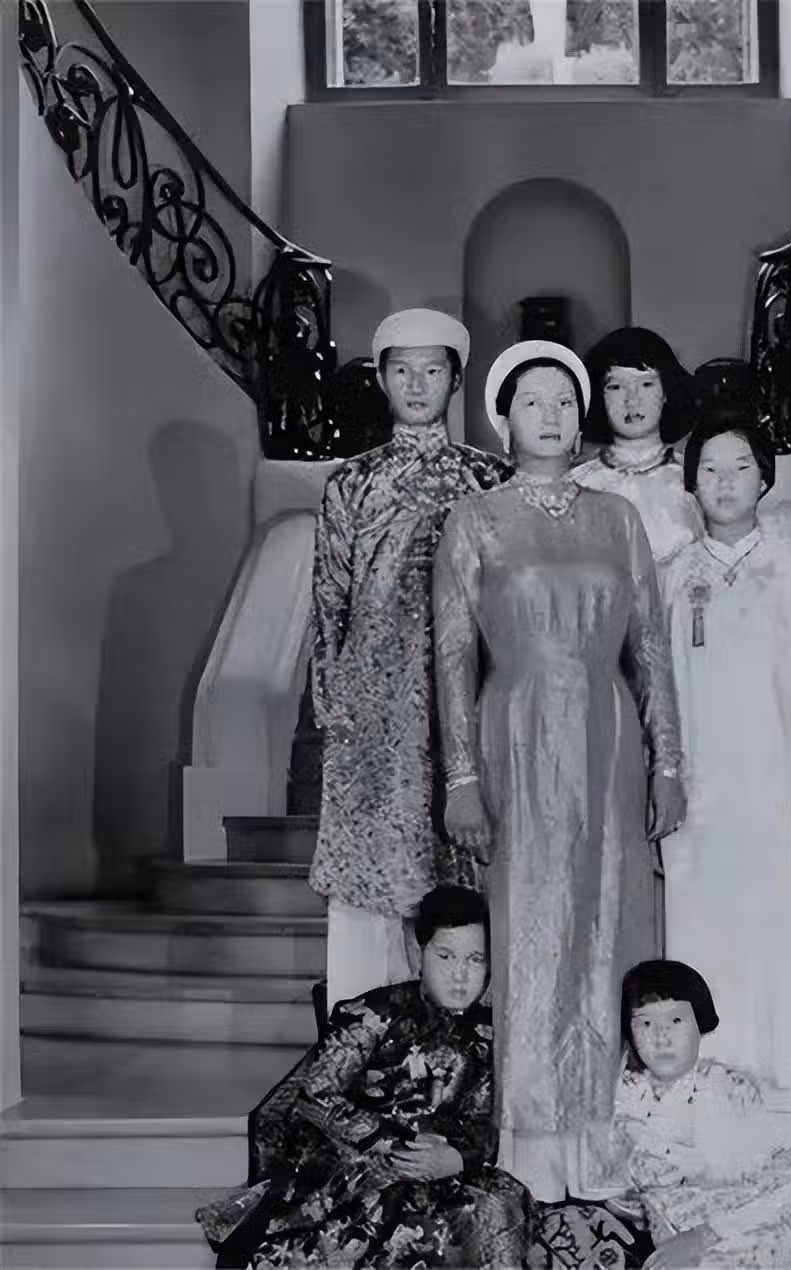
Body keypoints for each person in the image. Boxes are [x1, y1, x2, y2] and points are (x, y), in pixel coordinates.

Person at [432, 339, 686, 1203]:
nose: (552, 415)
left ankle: (611, 1145)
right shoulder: (476, 520)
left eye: (565, 401)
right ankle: (531, 1154)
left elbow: (650, 646)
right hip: (516, 730)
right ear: (504, 419)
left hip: (609, 736)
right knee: (530, 918)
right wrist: (461, 779)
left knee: (612, 914)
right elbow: (452, 656)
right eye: (532, 401)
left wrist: (668, 762)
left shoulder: (618, 518)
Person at [310, 309, 512, 1008]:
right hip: (377, 713)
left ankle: (471, 1032)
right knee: (377, 875)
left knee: (471, 866)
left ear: (456, 380)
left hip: (473, 699)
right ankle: (369, 1033)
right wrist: (335, 706)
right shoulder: (351, 483)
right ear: (382, 379)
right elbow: (329, 603)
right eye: (402, 370)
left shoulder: (491, 478)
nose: (417, 384)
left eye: (432, 370)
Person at [195, 886, 535, 1268]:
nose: (460, 974)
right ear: (418, 952)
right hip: (358, 1162)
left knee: (497, 1206)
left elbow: (481, 1122)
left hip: (437, 1166)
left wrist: (456, 1157)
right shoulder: (373, 1014)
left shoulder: (488, 1036)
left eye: (475, 959)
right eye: (445, 956)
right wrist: (395, 1144)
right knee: (405, 1219)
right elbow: (315, 1094)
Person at [659, 413, 791, 1123]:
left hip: (774, 789)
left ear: (764, 477)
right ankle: (710, 1073)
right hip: (699, 796)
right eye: (709, 469)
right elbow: (658, 693)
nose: (725, 482)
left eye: (740, 467)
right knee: (703, 927)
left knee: (780, 931)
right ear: (691, 484)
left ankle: (787, 1077)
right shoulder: (674, 576)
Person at [589, 960, 791, 1269]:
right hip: (666, 1234)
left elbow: (787, 1180)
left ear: (699, 1023)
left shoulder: (728, 1088)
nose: (661, 1037)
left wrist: (705, 1236)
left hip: (737, 1231)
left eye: (676, 1020)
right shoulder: (624, 1094)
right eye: (645, 1023)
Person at [571, 327, 703, 563]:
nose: (632, 400)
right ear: (600, 396)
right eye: (615, 386)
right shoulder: (577, 487)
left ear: (666, 392)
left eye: (646, 384)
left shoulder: (697, 480)